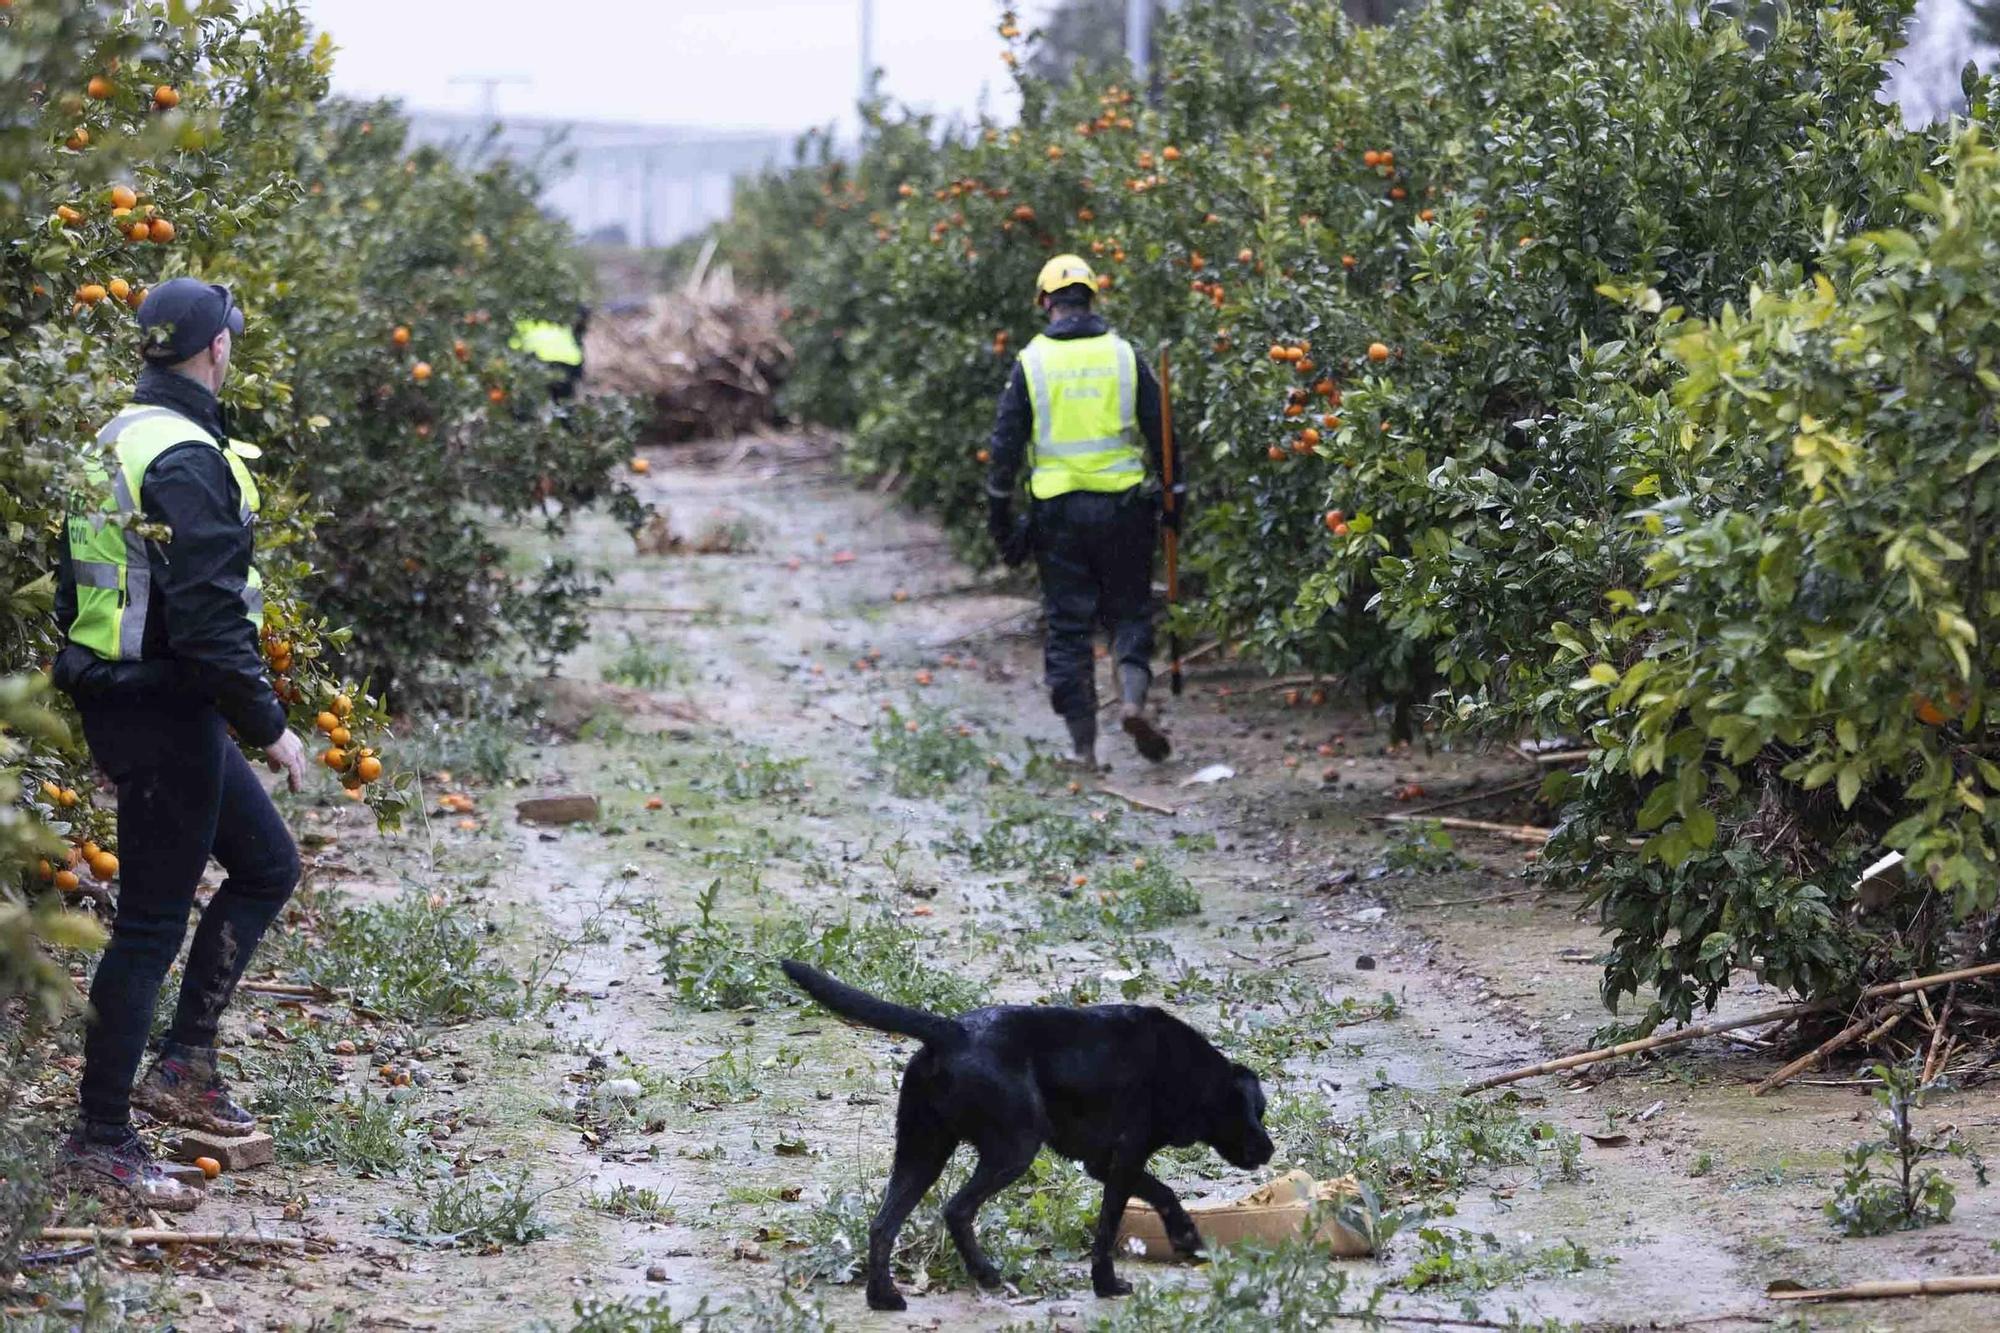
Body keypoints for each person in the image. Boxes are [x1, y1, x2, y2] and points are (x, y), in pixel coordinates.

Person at [51, 277, 309, 1211]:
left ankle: (184, 1064)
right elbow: (205, 620)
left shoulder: (117, 436)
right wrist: (269, 724)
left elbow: (73, 585)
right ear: (213, 349)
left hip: (136, 697)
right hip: (164, 706)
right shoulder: (186, 454)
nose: (230, 349)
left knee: (267, 862)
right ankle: (101, 1140)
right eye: (230, 338)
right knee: (151, 922)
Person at [984, 254, 1183, 769]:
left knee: (1069, 629)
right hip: (1124, 508)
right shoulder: (1124, 356)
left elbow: (1004, 447)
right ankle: (1134, 701)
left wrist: (1000, 515)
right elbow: (1162, 431)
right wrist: (1172, 496)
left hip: (1058, 516)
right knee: (1130, 614)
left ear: (1047, 301)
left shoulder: (1031, 362)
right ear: (1091, 298)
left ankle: (1084, 749)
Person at [510, 306, 588, 402]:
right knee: (563, 403)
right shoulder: (558, 309)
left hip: (541, 362)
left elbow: (513, 346)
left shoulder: (522, 316)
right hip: (569, 360)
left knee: (532, 401)